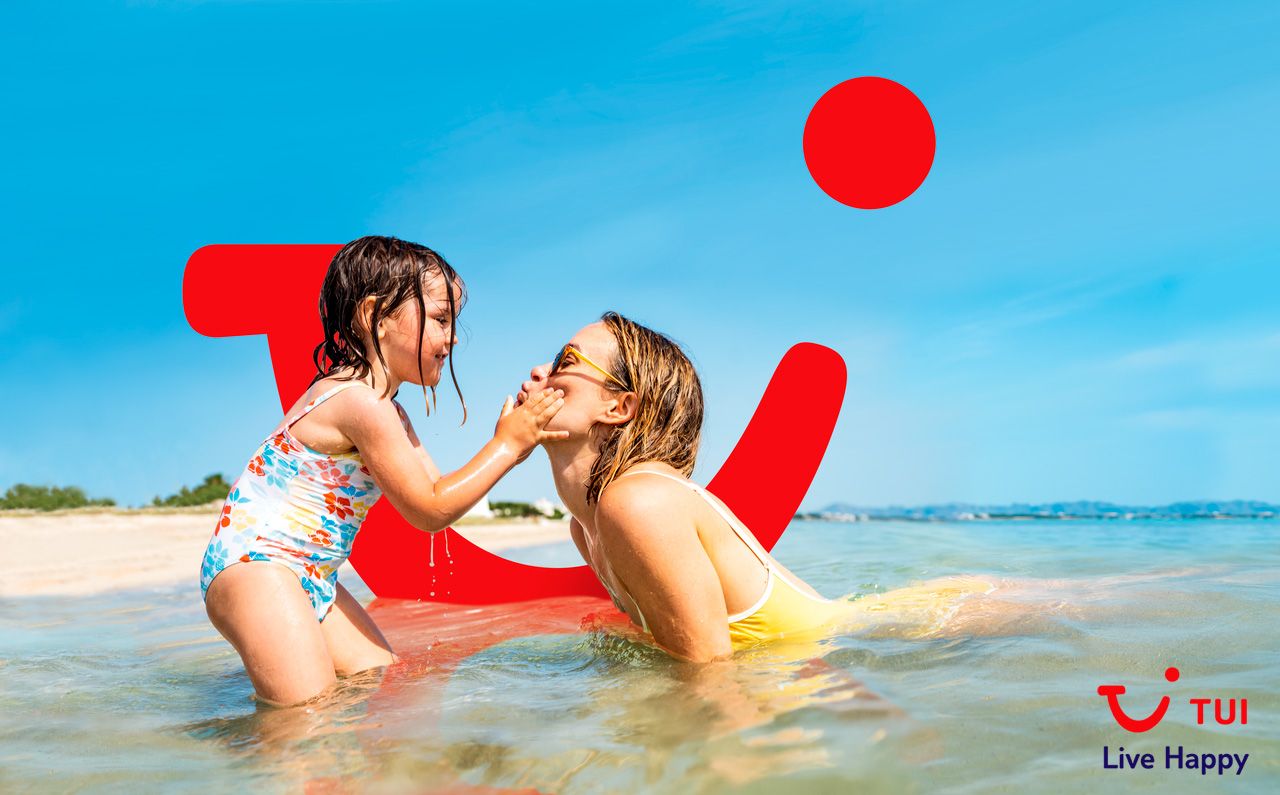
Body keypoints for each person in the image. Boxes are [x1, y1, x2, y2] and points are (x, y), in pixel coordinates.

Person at [200, 235, 566, 705]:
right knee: (305, 724)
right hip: (258, 568)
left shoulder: (387, 411)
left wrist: (518, 443)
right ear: (374, 316)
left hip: (309, 573)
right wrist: (506, 443)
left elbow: (440, 491)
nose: (452, 337)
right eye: (439, 319)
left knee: (380, 683)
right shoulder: (358, 401)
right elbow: (428, 511)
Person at [518, 312, 1005, 662]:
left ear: (619, 407)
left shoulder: (638, 502)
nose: (540, 371)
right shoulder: (587, 527)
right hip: (890, 628)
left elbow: (711, 678)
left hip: (916, 628)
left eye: (566, 360)